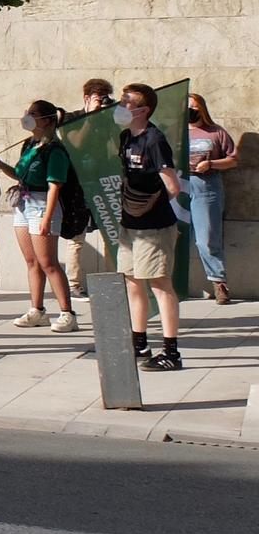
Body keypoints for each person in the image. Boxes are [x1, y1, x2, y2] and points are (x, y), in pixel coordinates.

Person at [0, 101, 77, 333]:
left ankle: (68, 313)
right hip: (24, 204)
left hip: (42, 204)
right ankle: (37, 310)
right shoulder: (29, 144)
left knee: (48, 262)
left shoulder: (54, 149)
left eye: (32, 114)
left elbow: (55, 185)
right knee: (31, 261)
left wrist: (47, 218)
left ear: (46, 120)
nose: (26, 116)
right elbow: (19, 174)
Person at [114, 84, 186, 371]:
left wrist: (150, 205)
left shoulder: (154, 140)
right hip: (129, 224)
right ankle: (139, 342)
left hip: (154, 227)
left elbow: (172, 185)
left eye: (126, 102)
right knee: (132, 282)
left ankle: (171, 352)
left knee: (160, 284)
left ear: (142, 110)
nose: (120, 106)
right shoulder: (125, 137)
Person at [61, 78, 118, 297]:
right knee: (77, 237)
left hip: (103, 182)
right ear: (87, 98)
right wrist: (89, 117)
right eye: (98, 97)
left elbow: (116, 145)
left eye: (105, 97)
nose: (102, 101)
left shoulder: (108, 120)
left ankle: (113, 279)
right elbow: (76, 143)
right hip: (78, 186)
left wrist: (111, 117)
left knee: (110, 233)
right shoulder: (70, 119)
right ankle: (74, 283)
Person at [186, 92, 238, 304]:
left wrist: (212, 164)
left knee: (207, 239)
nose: (191, 110)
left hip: (206, 187)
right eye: (188, 107)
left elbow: (233, 160)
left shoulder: (216, 132)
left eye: (195, 107)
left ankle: (219, 282)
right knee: (174, 237)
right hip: (180, 185)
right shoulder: (176, 133)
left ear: (202, 109)